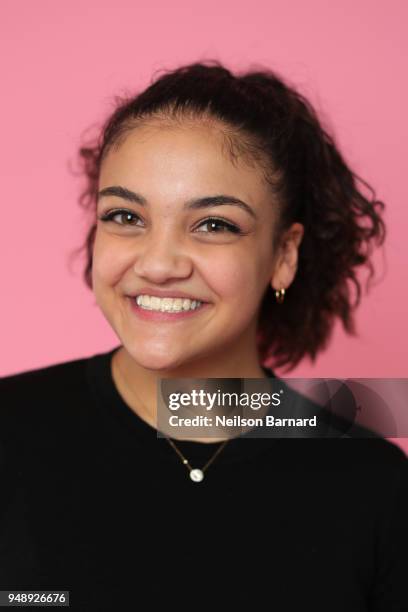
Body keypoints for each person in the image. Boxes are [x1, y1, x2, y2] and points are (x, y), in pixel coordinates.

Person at [0, 60, 407, 611]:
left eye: (214, 225)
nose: (159, 263)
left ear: (283, 255)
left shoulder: (374, 486)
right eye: (125, 216)